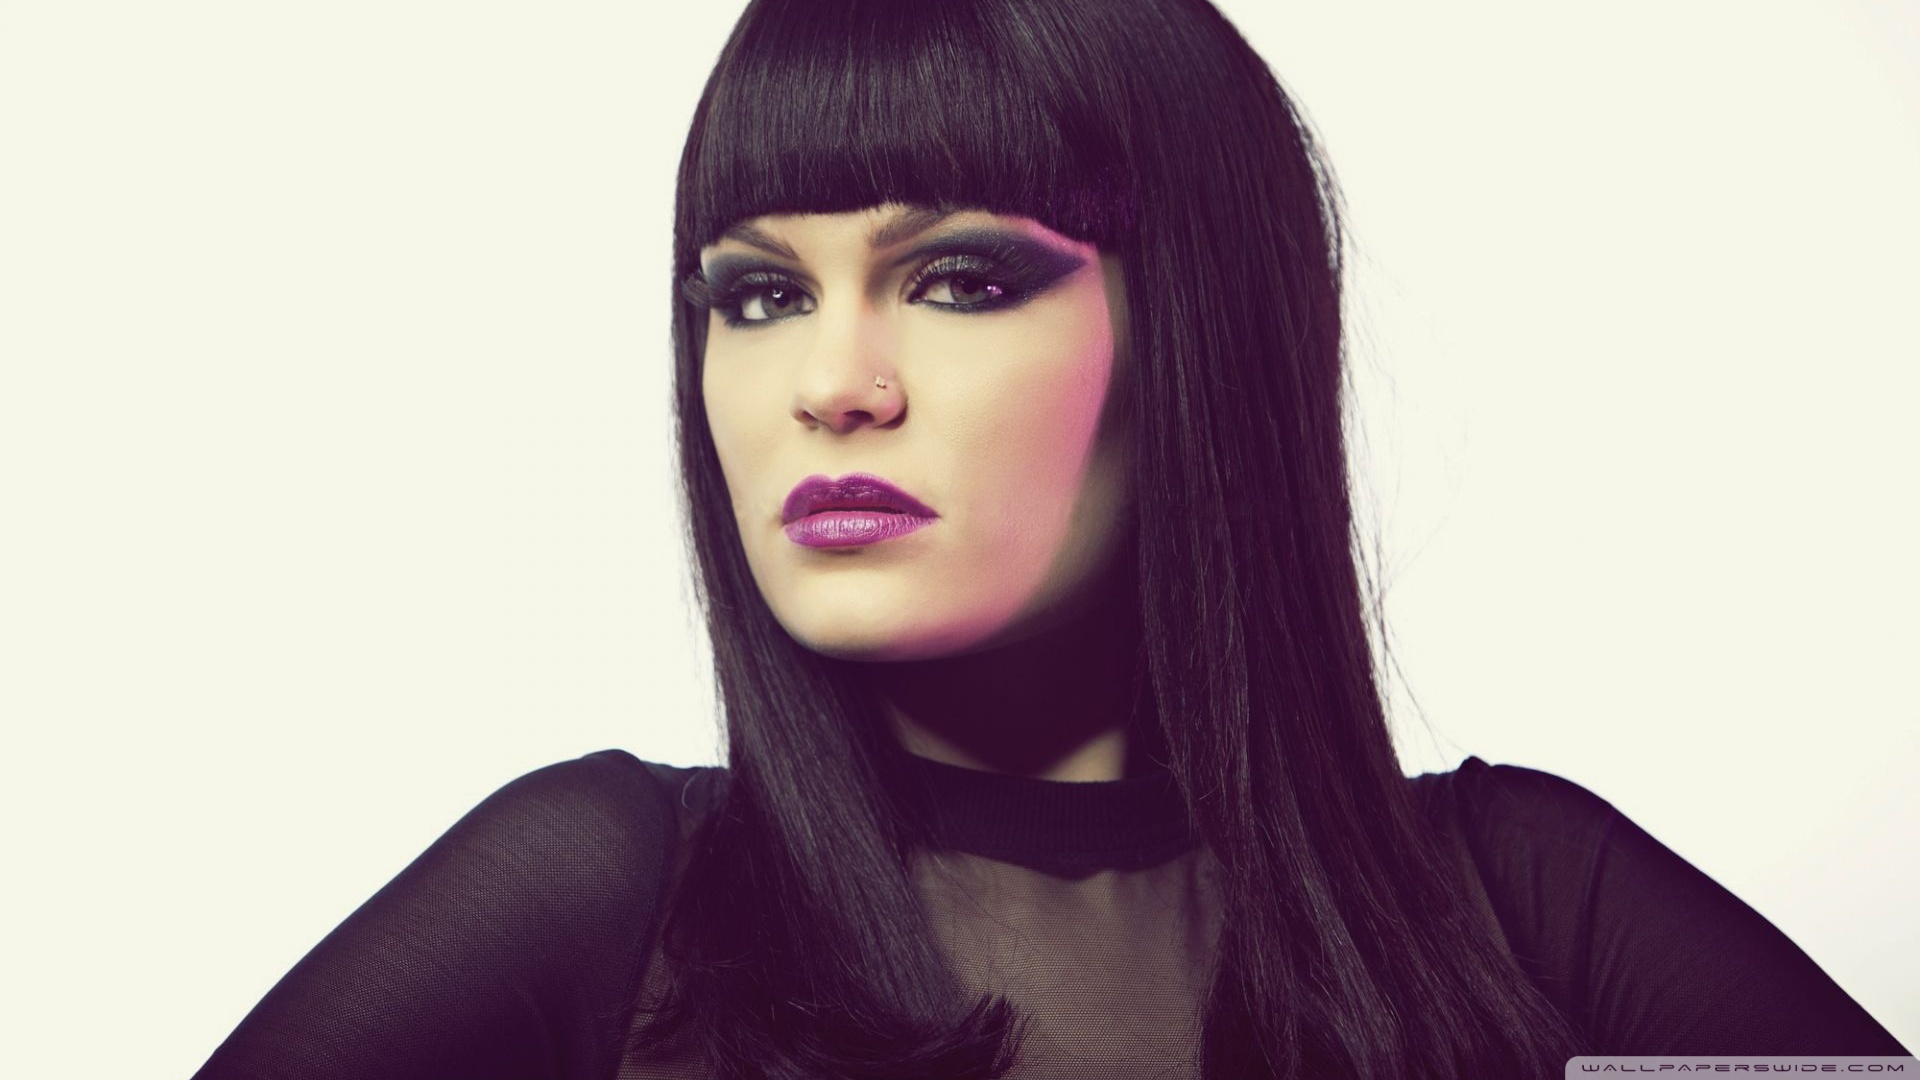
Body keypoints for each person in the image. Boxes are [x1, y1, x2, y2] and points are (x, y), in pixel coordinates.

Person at [190, 0, 1910, 1077]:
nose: (831, 386)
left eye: (956, 278)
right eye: (759, 295)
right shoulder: (600, 901)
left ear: (1199, 338)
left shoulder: (1530, 912)